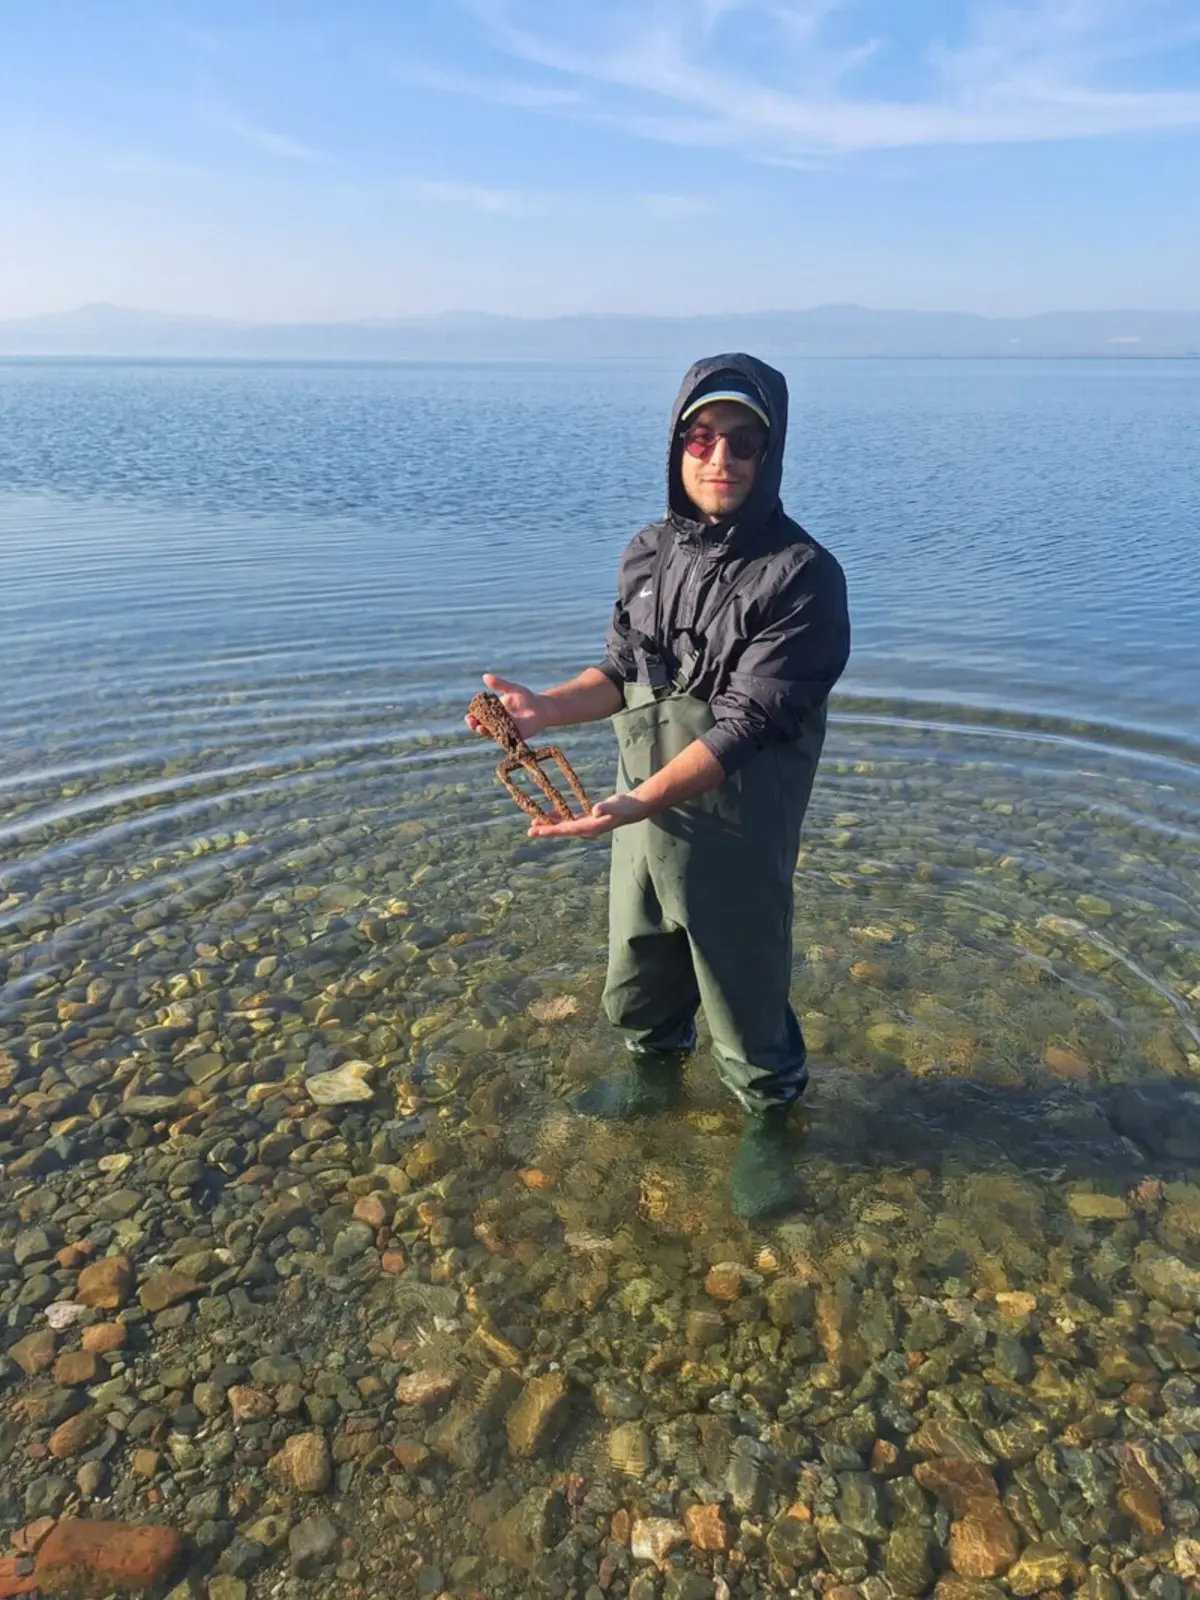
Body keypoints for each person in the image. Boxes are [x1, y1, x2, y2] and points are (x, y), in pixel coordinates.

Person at [467, 353, 850, 1217]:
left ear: (771, 452)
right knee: (636, 978)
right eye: (702, 436)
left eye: (744, 441)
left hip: (735, 825)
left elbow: (745, 725)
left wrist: (637, 800)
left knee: (744, 997)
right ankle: (653, 1082)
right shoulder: (648, 552)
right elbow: (619, 674)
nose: (721, 457)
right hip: (639, 817)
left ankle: (769, 1125)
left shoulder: (802, 579)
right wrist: (540, 711)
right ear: (678, 444)